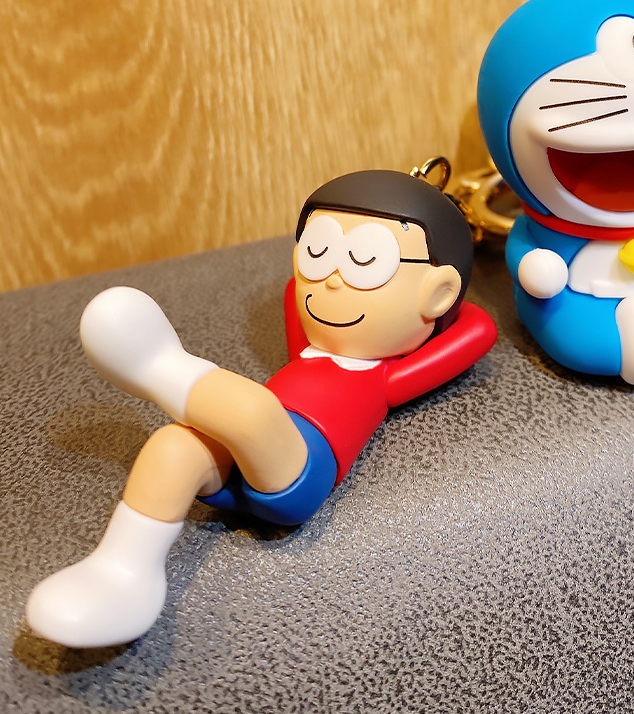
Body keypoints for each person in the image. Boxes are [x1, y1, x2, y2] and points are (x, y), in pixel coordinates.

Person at [26, 168, 496, 649]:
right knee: (173, 446)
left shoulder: (385, 378)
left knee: (252, 410)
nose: (332, 281)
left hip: (301, 471)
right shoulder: (304, 332)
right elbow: (296, 294)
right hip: (239, 456)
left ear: (439, 293)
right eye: (317, 252)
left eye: (365, 261)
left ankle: (163, 369)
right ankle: (120, 572)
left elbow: (477, 327)